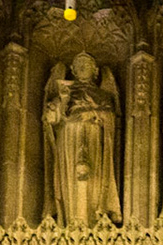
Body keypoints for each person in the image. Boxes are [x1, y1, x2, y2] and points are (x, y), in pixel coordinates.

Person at [44, 54, 122, 227]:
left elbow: (110, 119)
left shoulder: (102, 95)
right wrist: (63, 101)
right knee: (71, 179)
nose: (82, 67)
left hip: (93, 138)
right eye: (78, 64)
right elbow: (52, 119)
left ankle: (93, 220)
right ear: (72, 70)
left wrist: (91, 114)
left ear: (95, 71)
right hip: (69, 139)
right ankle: (71, 220)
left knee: (92, 177)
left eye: (86, 64)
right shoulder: (64, 93)